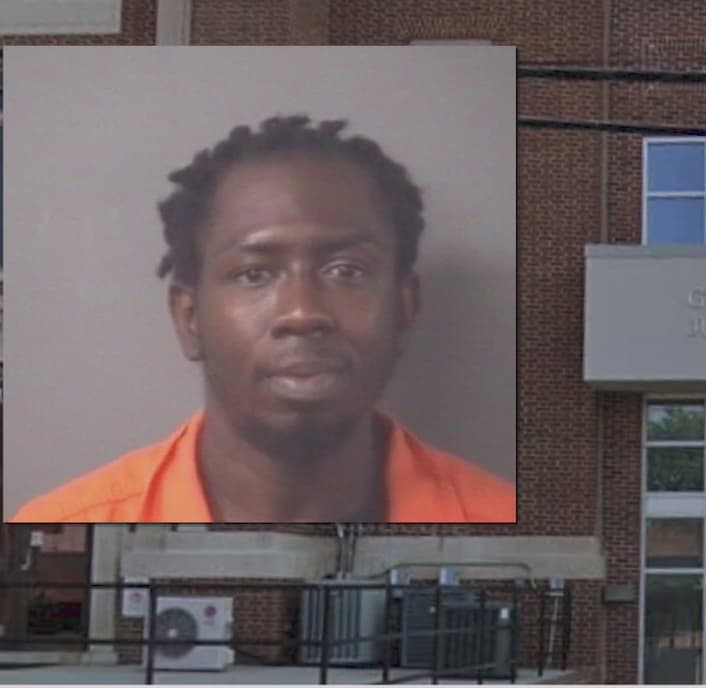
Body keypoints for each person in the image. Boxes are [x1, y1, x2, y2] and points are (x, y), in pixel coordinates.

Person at [10, 116, 515, 523]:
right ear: (189, 318)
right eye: (254, 274)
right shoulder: (61, 519)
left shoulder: (494, 512)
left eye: (346, 270)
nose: (302, 312)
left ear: (404, 308)